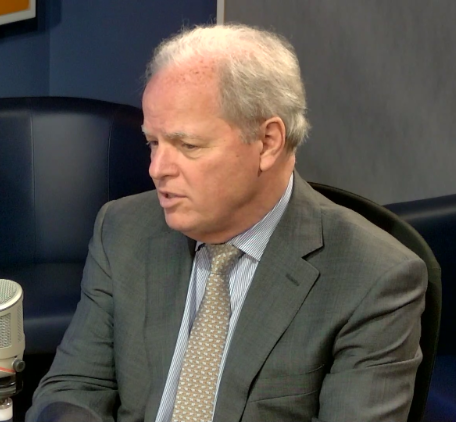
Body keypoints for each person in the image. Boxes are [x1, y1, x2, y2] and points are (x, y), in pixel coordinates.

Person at [26, 23, 427, 422]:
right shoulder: (123, 228)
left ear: (267, 142)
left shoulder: (372, 279)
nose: (157, 169)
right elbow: (75, 387)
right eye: (153, 143)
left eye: (188, 145)